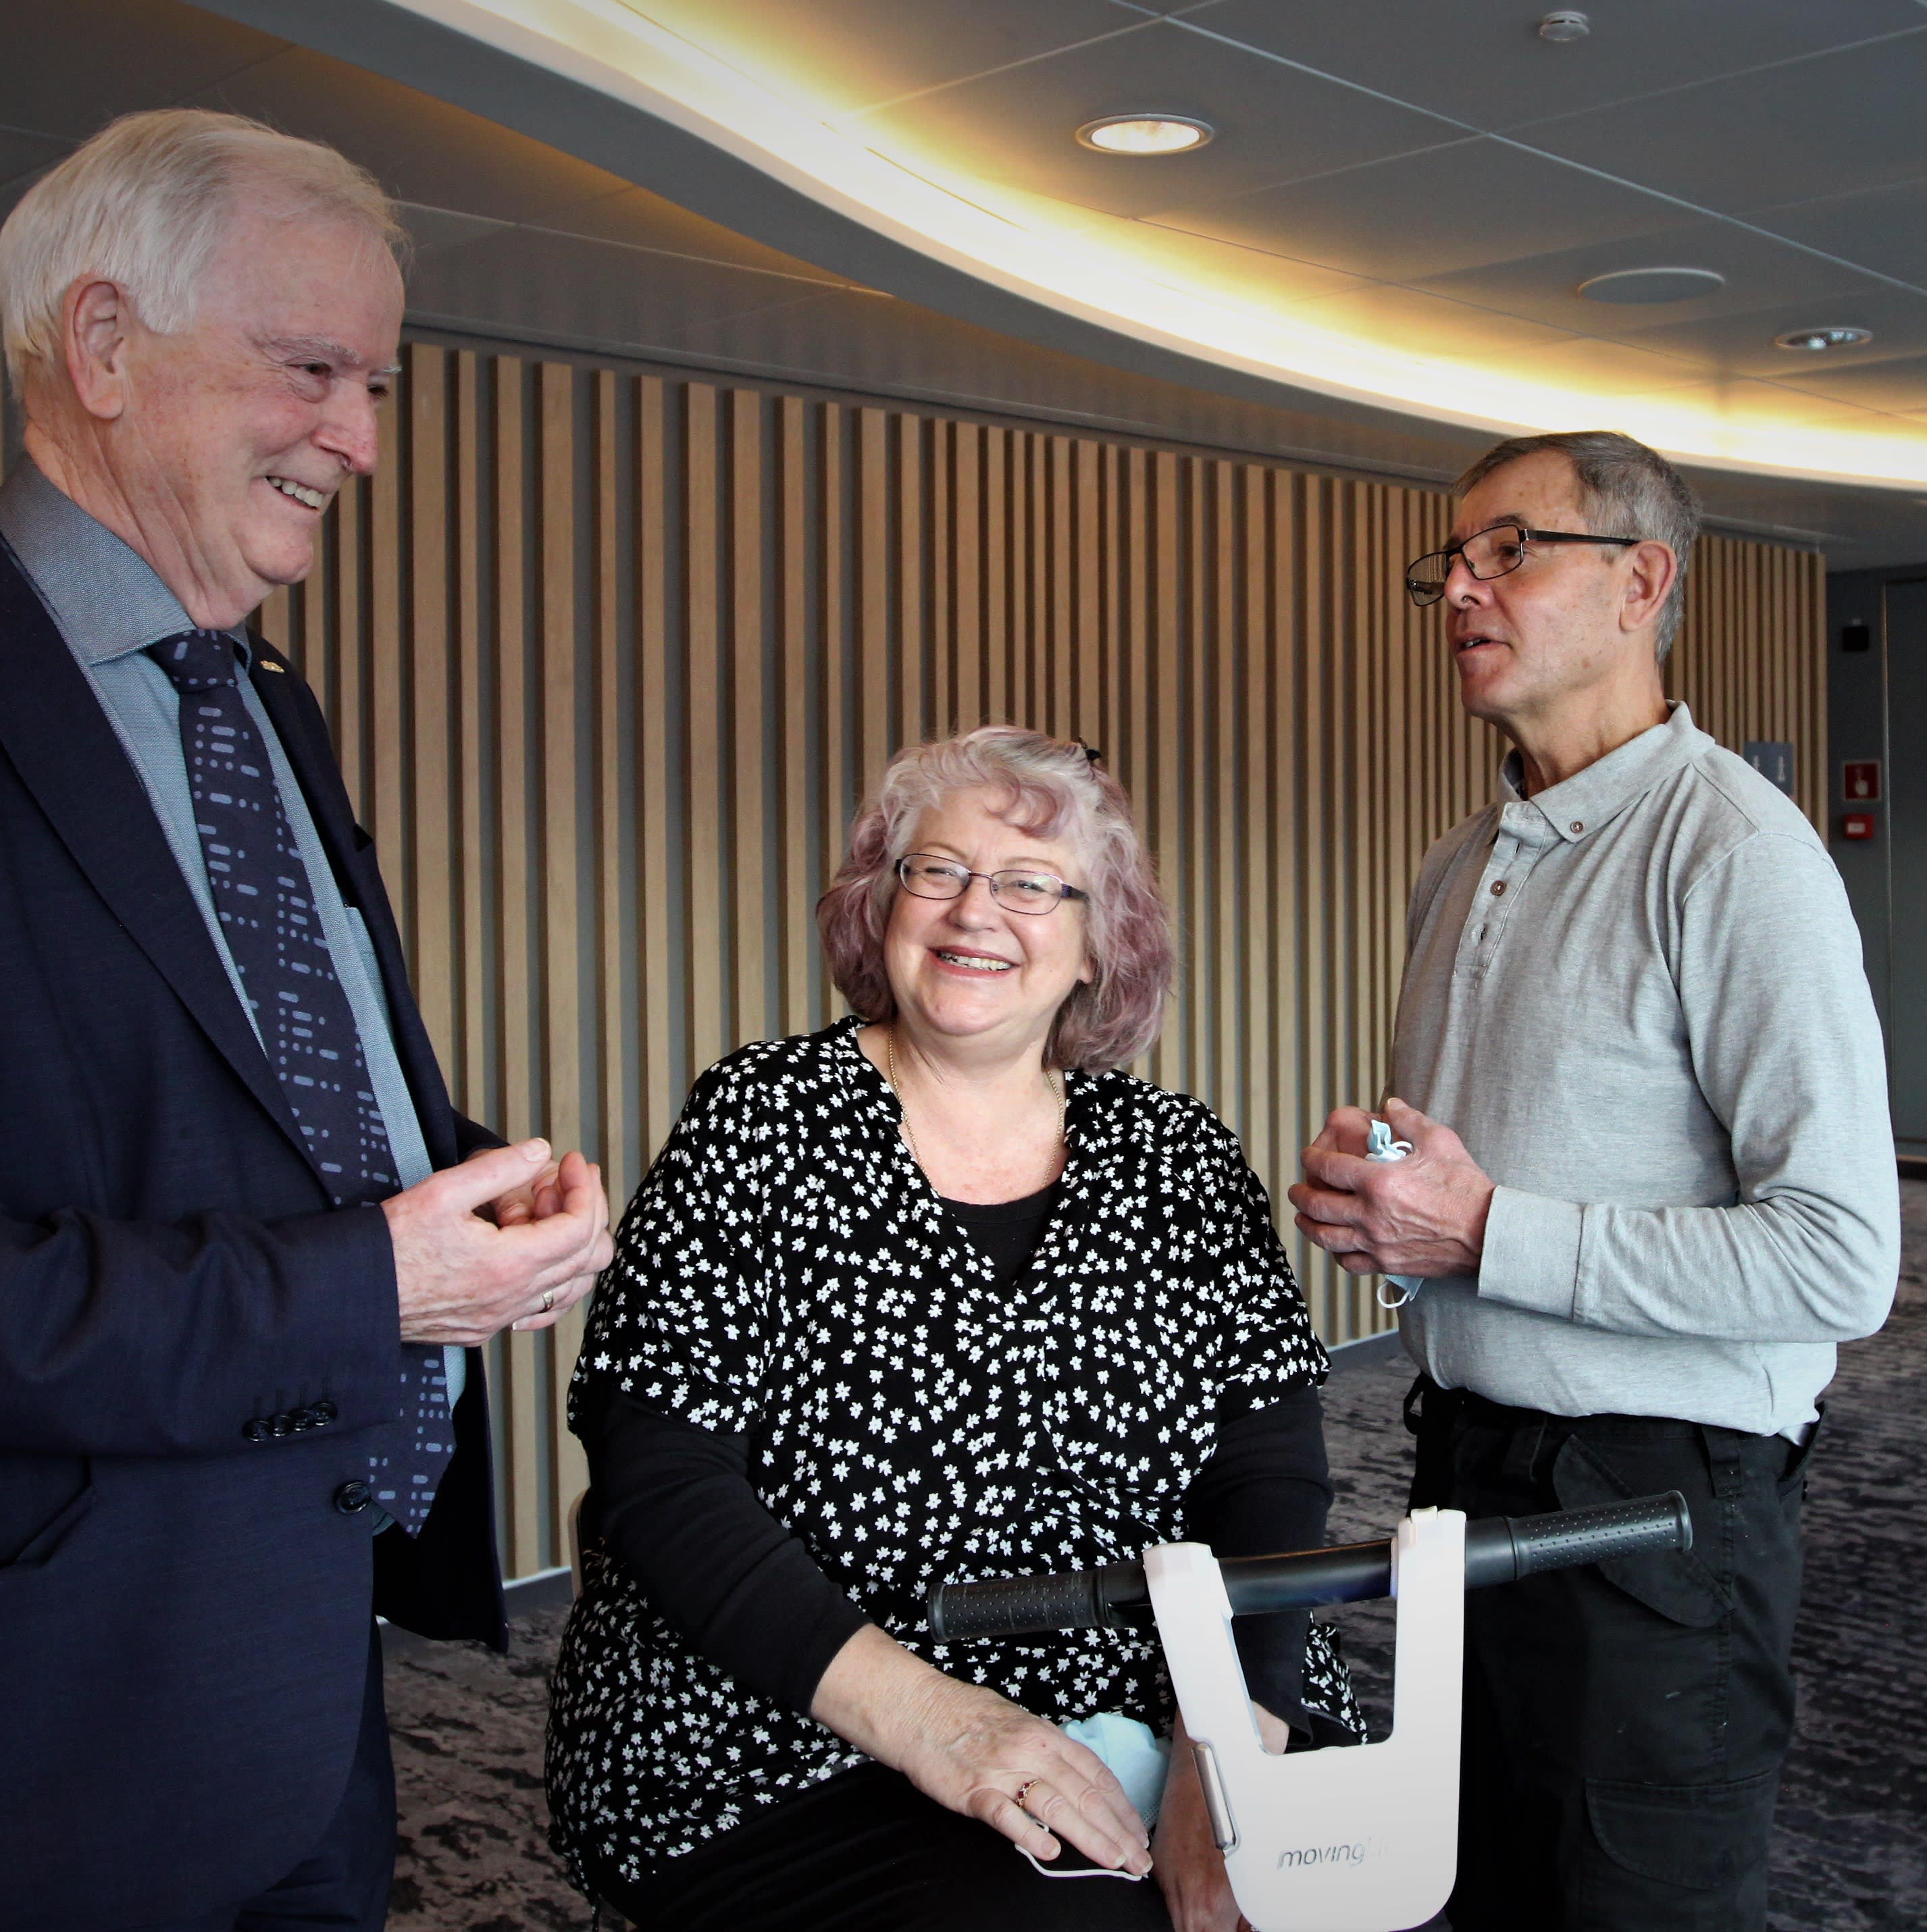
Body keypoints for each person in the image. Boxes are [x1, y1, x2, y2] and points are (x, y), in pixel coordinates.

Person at [0, 111, 613, 1932]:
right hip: (23, 1724)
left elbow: (244, 1091)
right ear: (102, 345)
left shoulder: (259, 696)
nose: (360, 438)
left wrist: (462, 1184)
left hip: (298, 1667)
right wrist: (372, 1281)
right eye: (311, 369)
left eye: (375, 385)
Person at [547, 727, 1352, 1932]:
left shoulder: (1181, 1157)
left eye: (1030, 883)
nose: (977, 910)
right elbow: (659, 1475)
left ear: (1100, 942)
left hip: (1177, 1693)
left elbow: (1268, 1476)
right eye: (937, 870)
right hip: (800, 1732)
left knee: (1356, 1902)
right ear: (881, 905)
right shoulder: (759, 1120)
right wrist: (940, 1722)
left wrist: (1226, 1746)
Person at [1286, 432, 1898, 1931]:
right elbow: (1503, 1179)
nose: (1460, 590)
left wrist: (1484, 1230)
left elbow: (1839, 1257)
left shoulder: (1735, 853)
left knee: (1629, 1903)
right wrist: (1392, 1209)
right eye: (1450, 562)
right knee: (1483, 1888)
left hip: (1656, 1505)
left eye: (1509, 550)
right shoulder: (1457, 863)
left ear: (1640, 583)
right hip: (1462, 1463)